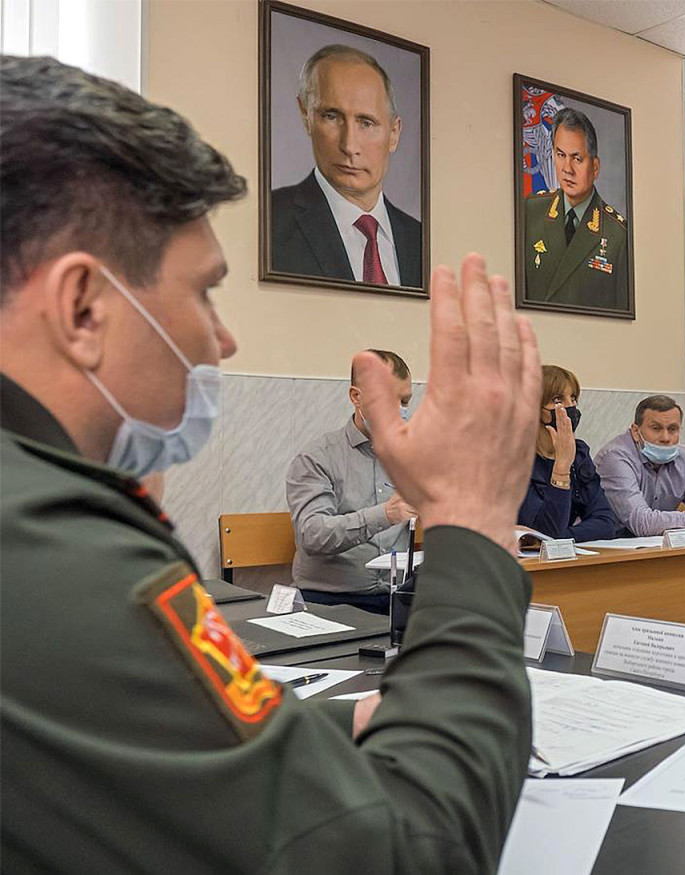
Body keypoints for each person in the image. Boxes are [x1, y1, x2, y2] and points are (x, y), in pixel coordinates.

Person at [1, 56, 541, 871]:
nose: (224, 340)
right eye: (206, 291)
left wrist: (316, 734)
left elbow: (140, 744)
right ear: (83, 308)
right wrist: (472, 516)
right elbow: (411, 854)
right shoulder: (51, 549)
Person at [271, 44, 422, 287]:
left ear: (394, 133)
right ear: (305, 116)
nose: (350, 146)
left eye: (366, 123)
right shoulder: (269, 221)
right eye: (331, 117)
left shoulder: (420, 239)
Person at [285, 349, 417, 613]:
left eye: (405, 401)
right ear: (357, 397)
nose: (400, 411)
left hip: (397, 598)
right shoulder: (318, 457)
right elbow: (312, 535)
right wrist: (385, 514)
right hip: (328, 601)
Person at [522, 108, 629, 312]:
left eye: (577, 158)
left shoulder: (618, 234)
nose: (567, 168)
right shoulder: (531, 211)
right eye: (560, 155)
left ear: (595, 167)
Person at [595, 394, 685, 536]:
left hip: (654, 548)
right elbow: (641, 522)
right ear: (635, 431)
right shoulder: (615, 457)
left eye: (672, 429)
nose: (666, 438)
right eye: (656, 428)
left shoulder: (682, 460)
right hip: (605, 550)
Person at [518, 364, 619, 542]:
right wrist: (561, 467)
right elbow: (546, 529)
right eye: (558, 400)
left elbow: (606, 523)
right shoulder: (515, 460)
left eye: (573, 398)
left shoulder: (579, 453)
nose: (570, 406)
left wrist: (565, 537)